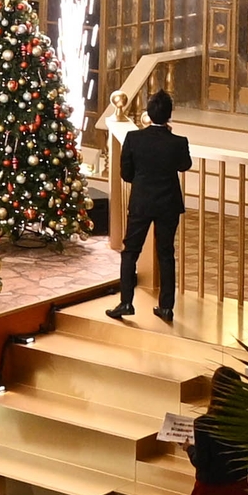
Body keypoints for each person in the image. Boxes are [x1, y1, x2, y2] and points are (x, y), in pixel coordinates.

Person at [110, 90, 189, 326]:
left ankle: (126, 302)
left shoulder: (134, 139)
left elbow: (126, 174)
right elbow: (184, 165)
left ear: (148, 113)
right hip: (168, 204)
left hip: (141, 202)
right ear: (169, 115)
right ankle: (166, 307)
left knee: (130, 251)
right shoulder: (178, 142)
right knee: (166, 254)